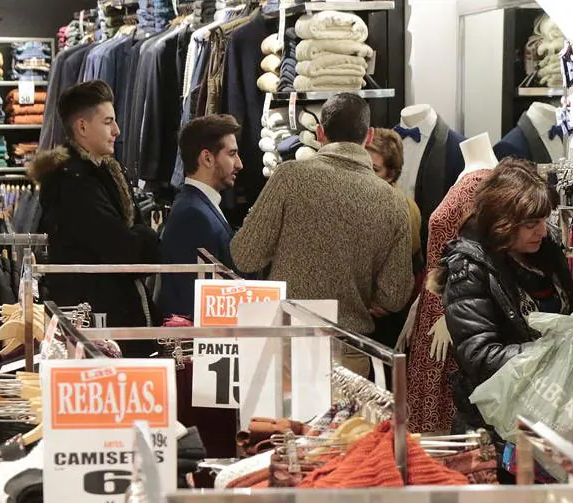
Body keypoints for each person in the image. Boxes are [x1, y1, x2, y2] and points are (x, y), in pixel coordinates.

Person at [231, 92, 413, 373]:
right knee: (349, 420)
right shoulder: (393, 201)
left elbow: (245, 255)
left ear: (319, 132)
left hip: (286, 348)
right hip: (350, 352)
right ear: (368, 136)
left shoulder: (289, 177)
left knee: (277, 419)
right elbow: (395, 296)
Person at [440, 158, 573, 435]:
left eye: (543, 220)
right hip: (495, 425)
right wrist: (553, 352)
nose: (542, 230)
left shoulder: (547, 251)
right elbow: (480, 357)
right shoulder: (470, 269)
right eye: (531, 224)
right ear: (503, 222)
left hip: (550, 411)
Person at [29, 79, 158, 333]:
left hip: (108, 312)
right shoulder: (74, 183)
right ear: (82, 126)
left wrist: (138, 237)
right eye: (108, 122)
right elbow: (126, 251)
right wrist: (146, 237)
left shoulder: (104, 172)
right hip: (97, 321)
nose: (117, 131)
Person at [157, 114, 244, 319]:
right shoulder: (193, 214)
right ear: (207, 158)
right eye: (232, 154)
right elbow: (195, 298)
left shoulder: (199, 206)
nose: (239, 164)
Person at [366, 127, 423, 347]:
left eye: (374, 169)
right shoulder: (370, 200)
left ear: (391, 174)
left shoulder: (401, 208)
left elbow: (403, 268)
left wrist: (373, 300)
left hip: (389, 316)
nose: (366, 174)